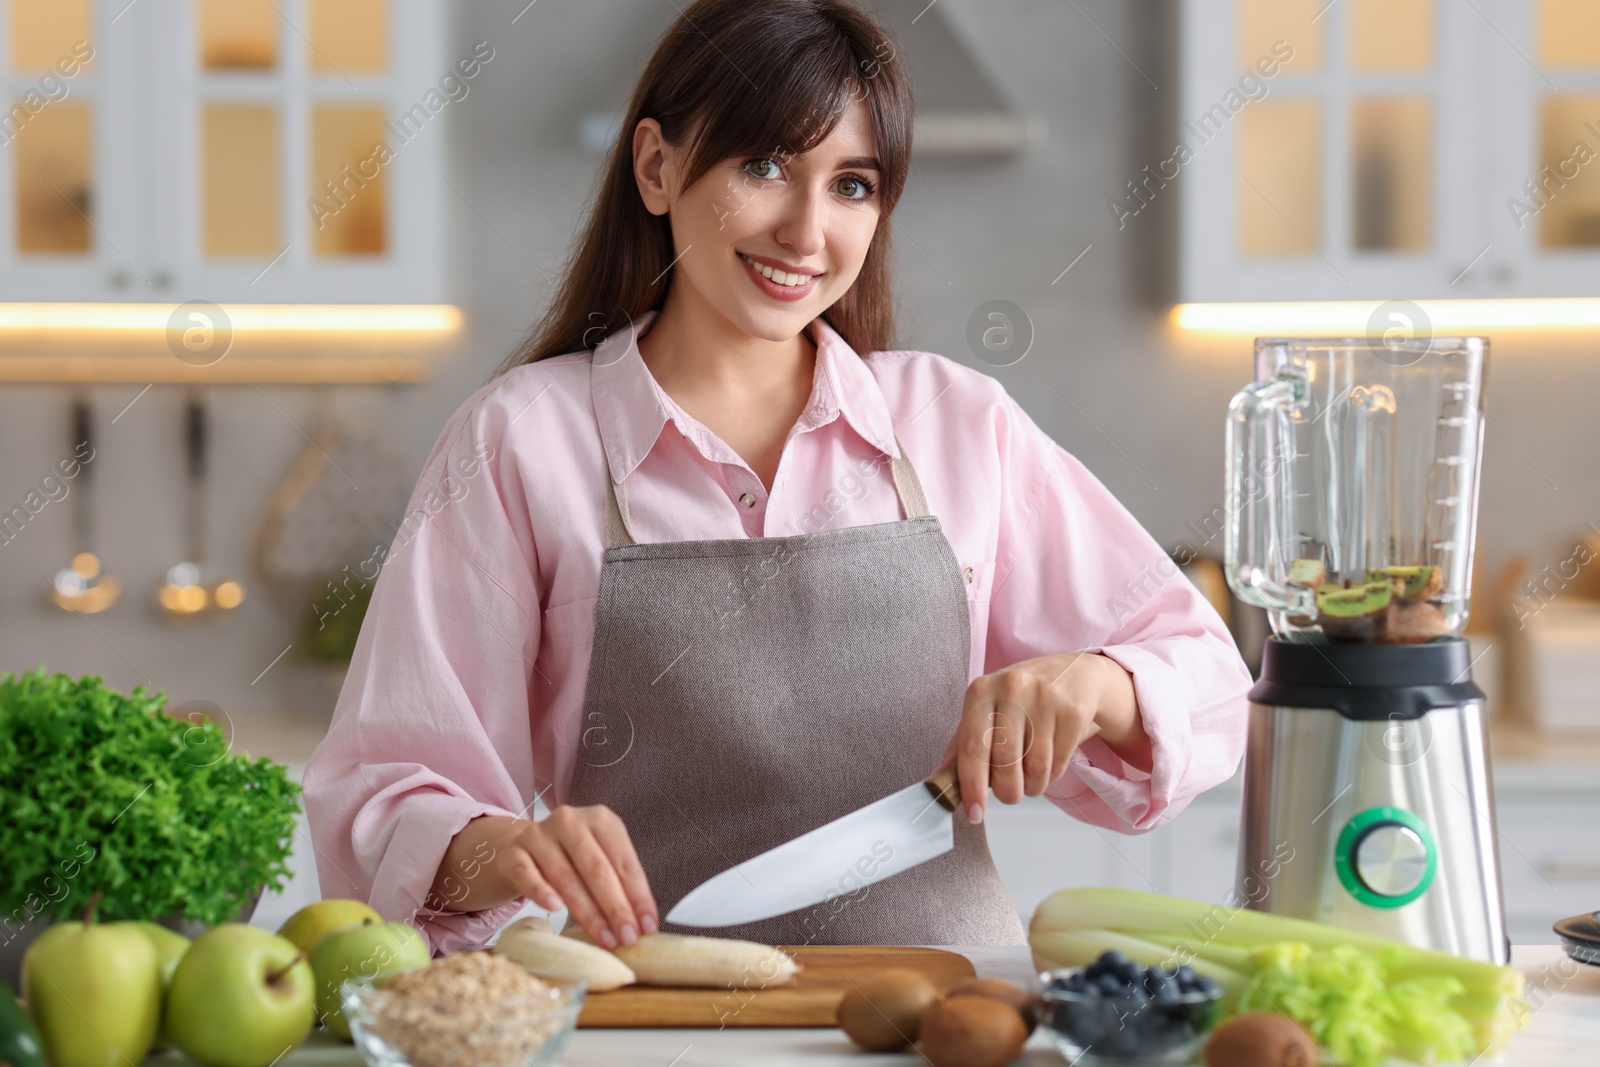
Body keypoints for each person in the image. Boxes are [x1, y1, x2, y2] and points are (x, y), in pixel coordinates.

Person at [303, 0, 1252, 954]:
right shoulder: (519, 440)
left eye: (852, 185)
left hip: (947, 1020)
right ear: (656, 167)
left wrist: (1097, 682)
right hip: (653, 1028)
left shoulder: (956, 423)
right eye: (765, 167)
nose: (807, 231)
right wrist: (513, 848)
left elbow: (1209, 676)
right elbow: (382, 792)